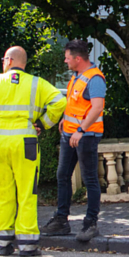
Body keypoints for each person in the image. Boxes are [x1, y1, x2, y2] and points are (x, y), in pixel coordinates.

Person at [0, 46, 66, 257]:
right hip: (25, 141)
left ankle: (2, 243)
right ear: (23, 63)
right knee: (27, 192)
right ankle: (27, 244)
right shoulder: (36, 84)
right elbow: (59, 101)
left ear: (8, 61)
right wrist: (43, 124)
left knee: (0, 192)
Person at [43, 39, 106, 243]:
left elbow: (97, 107)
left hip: (85, 136)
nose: (65, 60)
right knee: (63, 175)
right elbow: (76, 105)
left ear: (78, 58)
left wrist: (80, 129)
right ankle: (61, 220)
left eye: (68, 57)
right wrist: (65, 120)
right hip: (70, 134)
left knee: (89, 179)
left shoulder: (94, 79)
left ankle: (90, 223)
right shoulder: (78, 76)